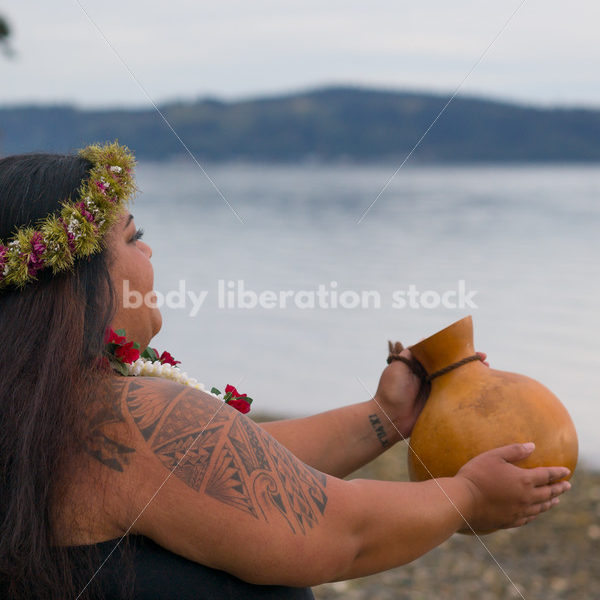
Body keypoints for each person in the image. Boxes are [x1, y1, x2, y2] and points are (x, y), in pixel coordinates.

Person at [0, 142, 571, 600]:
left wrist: (384, 418)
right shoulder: (123, 414)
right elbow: (344, 535)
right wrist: (468, 495)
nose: (148, 255)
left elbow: (232, 461)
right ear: (70, 283)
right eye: (132, 238)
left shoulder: (41, 412)